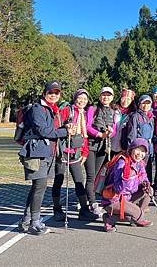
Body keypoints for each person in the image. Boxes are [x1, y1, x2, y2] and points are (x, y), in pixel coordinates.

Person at [17, 81, 69, 235]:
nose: (53, 95)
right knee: (39, 187)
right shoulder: (37, 109)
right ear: (44, 93)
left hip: (46, 153)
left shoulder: (51, 110)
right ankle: (35, 222)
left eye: (56, 93)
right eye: (50, 92)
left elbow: (49, 131)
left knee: (37, 188)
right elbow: (43, 131)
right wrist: (64, 131)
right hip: (36, 153)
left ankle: (26, 220)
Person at [52, 88, 97, 222]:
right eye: (80, 98)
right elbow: (55, 126)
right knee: (59, 181)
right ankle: (57, 209)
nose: (82, 101)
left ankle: (84, 210)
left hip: (75, 153)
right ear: (75, 98)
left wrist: (85, 152)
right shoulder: (67, 110)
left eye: (85, 99)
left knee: (79, 181)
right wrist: (66, 128)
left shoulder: (83, 114)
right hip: (63, 152)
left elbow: (84, 137)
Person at [101, 138, 153, 232]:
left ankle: (136, 217)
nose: (140, 154)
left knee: (150, 191)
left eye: (143, 151)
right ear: (131, 149)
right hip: (113, 199)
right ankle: (109, 219)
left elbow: (143, 176)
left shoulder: (139, 163)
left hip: (127, 197)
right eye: (138, 150)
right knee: (138, 213)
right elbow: (118, 189)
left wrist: (146, 184)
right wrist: (125, 178)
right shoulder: (121, 163)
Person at [85, 86, 118, 216]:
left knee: (97, 176)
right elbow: (88, 126)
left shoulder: (113, 112)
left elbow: (114, 129)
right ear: (100, 96)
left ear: (112, 97)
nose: (106, 97)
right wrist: (100, 134)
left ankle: (91, 199)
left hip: (103, 148)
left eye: (109, 95)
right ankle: (92, 203)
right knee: (90, 175)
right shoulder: (93, 109)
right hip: (91, 146)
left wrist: (110, 133)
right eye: (104, 95)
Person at [126, 95, 156, 182]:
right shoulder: (135, 116)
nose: (146, 106)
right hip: (138, 149)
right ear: (139, 104)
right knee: (137, 171)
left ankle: (146, 191)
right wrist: (131, 150)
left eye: (148, 103)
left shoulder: (152, 118)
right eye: (143, 103)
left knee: (147, 171)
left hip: (148, 149)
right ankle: (136, 191)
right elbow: (131, 134)